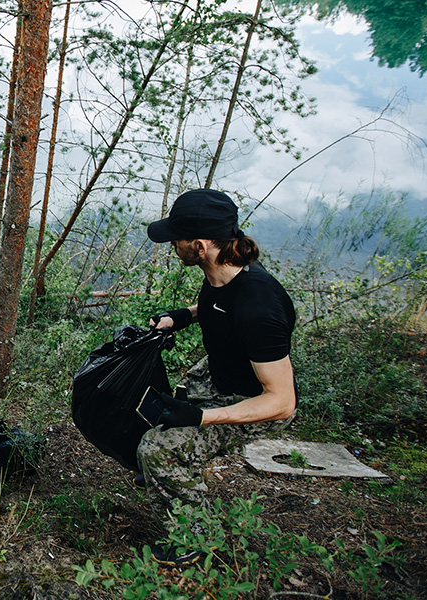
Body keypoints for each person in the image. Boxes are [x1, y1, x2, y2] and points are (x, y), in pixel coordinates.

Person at [140, 188, 297, 563]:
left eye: (175, 239)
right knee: (160, 399)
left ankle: (195, 538)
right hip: (220, 370)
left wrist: (202, 417)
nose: (171, 245)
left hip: (254, 400)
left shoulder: (259, 307)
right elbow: (217, 304)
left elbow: (282, 401)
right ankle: (171, 474)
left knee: (156, 447)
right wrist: (180, 317)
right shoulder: (222, 271)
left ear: (198, 245)